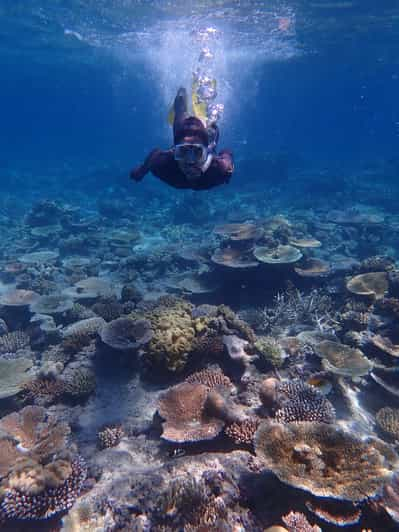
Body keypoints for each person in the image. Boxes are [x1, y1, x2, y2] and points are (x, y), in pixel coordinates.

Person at [130, 88, 234, 190]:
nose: (190, 161)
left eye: (197, 152)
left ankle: (204, 119)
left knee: (212, 130)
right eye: (183, 152)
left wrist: (141, 171)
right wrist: (142, 170)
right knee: (180, 111)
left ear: (206, 152)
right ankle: (182, 93)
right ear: (174, 150)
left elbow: (226, 153)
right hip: (187, 135)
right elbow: (154, 155)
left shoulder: (220, 169)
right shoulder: (163, 165)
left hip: (203, 141)